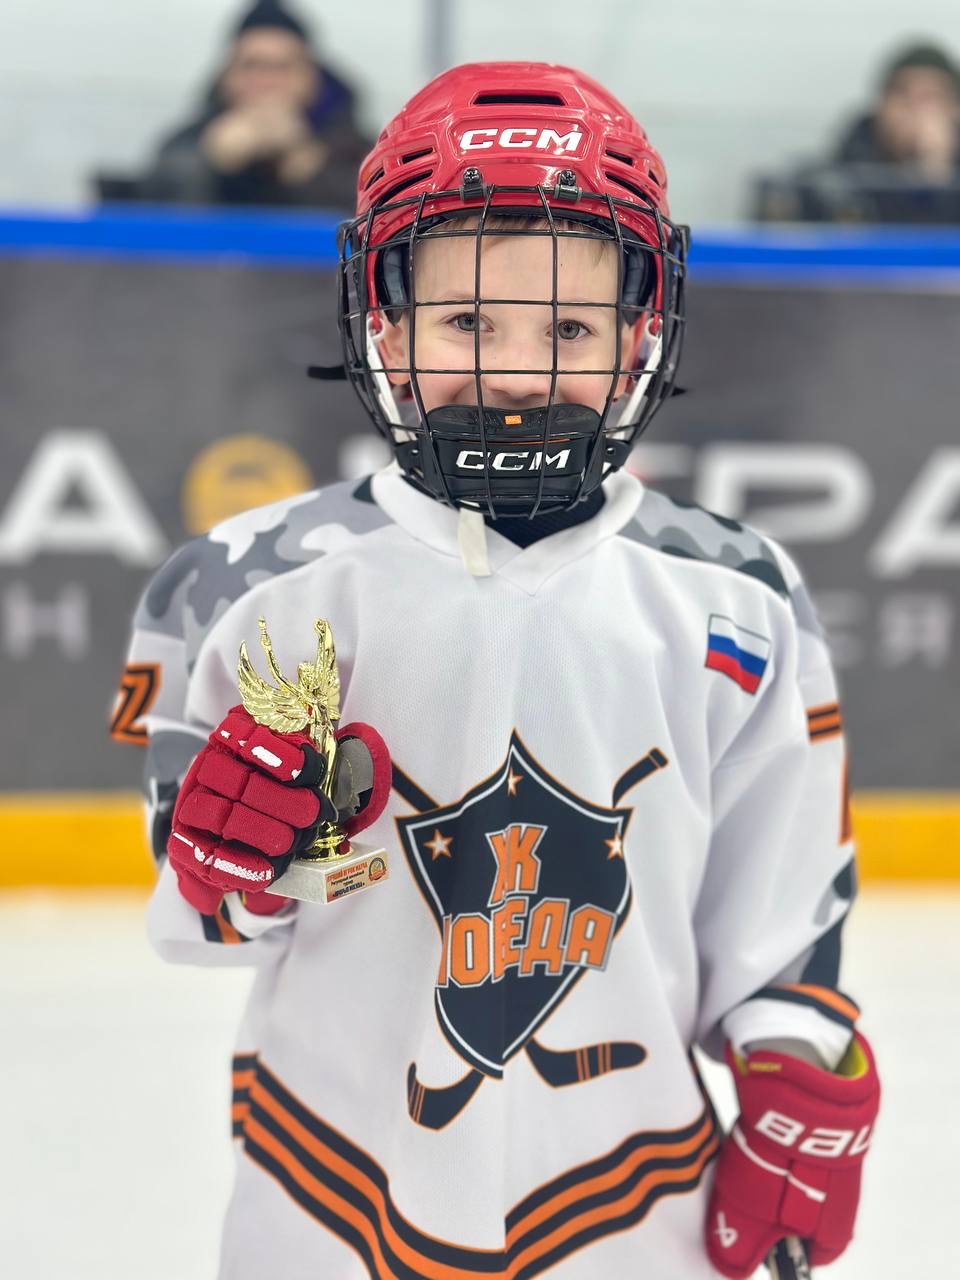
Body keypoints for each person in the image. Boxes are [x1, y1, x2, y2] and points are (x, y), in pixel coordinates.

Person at [116, 62, 880, 1278]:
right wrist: (236, 870)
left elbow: (780, 911)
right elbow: (204, 929)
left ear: (639, 333)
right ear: (386, 324)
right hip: (325, 1199)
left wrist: (795, 1070)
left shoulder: (740, 592)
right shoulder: (241, 585)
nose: (520, 375)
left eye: (569, 329)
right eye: (469, 323)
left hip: (637, 1205)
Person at [137, 0, 370, 209]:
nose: (266, 82)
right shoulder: (186, 143)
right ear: (227, 76)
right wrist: (212, 162)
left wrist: (304, 165)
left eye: (282, 67)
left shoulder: (359, 152)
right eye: (251, 66)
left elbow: (373, 223)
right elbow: (149, 209)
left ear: (312, 78)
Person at [834, 40, 960, 181]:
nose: (914, 108)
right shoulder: (840, 172)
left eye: (929, 97)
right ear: (881, 104)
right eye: (901, 94)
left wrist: (937, 165)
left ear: (954, 109)